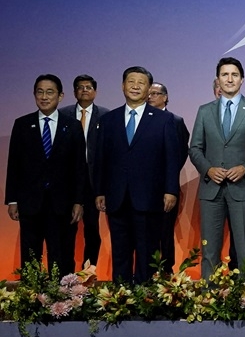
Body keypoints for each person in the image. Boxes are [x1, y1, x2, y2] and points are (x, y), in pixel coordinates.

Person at [95, 67, 180, 283]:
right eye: (130, 81)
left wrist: (170, 190)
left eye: (140, 83)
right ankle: (120, 298)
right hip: (116, 197)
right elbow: (100, 159)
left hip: (149, 197)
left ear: (148, 88)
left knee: (147, 251)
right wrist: (100, 191)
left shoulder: (163, 120)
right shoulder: (108, 120)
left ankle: (145, 300)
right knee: (120, 251)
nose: (135, 86)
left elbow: (172, 158)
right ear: (122, 86)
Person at [189, 57, 245, 279]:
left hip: (242, 189)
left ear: (242, 79)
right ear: (217, 80)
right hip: (211, 189)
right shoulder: (205, 111)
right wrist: (208, 169)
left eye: (234, 74)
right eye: (225, 74)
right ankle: (209, 298)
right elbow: (195, 148)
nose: (229, 79)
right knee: (209, 249)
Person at [6, 74, 87, 274]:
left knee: (61, 255)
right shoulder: (22, 124)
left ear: (60, 96)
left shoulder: (73, 125)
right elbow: (14, 164)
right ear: (34, 95)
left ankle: (62, 301)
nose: (44, 96)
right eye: (40, 92)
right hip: (30, 203)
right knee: (30, 255)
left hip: (63, 204)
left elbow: (79, 166)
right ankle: (31, 300)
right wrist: (12, 200)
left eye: (49, 92)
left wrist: (79, 201)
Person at [58, 74, 109, 270]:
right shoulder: (63, 114)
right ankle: (66, 274)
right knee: (66, 229)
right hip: (67, 183)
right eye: (80, 87)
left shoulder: (105, 116)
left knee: (92, 229)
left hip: (93, 183)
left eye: (88, 87)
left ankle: (89, 271)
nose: (84, 90)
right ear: (74, 92)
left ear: (95, 92)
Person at [146, 82, 190, 272]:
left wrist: (167, 178)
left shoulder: (175, 120)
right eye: (149, 94)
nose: (151, 97)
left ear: (165, 97)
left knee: (165, 231)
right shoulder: (142, 120)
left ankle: (166, 271)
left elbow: (180, 153)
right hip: (144, 188)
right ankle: (147, 270)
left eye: (155, 94)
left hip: (166, 186)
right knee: (146, 232)